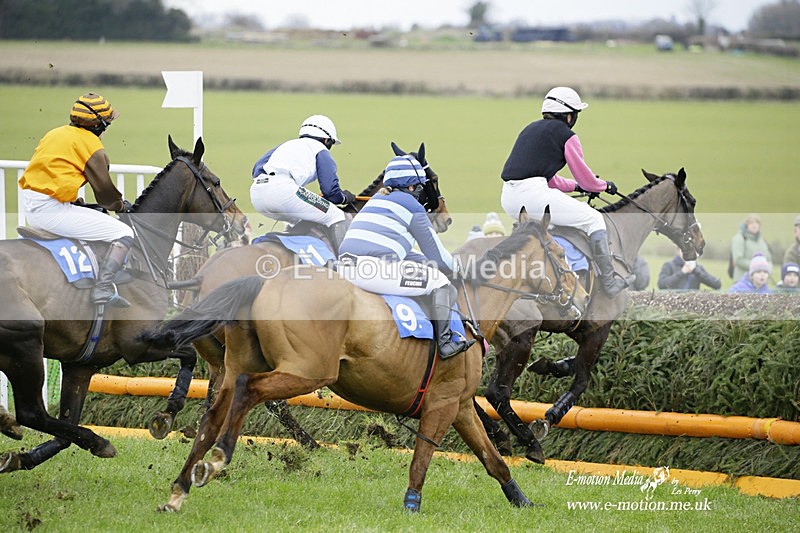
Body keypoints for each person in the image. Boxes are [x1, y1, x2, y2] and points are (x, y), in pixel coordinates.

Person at [499, 86, 633, 298]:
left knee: (551, 228)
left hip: (508, 198)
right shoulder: (567, 135)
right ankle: (609, 282)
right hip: (534, 196)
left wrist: (576, 187)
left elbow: (550, 180)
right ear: (569, 116)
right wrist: (603, 185)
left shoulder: (529, 129)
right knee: (594, 219)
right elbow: (585, 177)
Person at [338, 155, 475, 359]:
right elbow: (436, 255)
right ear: (411, 187)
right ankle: (446, 343)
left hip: (343, 267)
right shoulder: (412, 206)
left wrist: (425, 263)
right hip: (372, 270)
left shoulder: (377, 200)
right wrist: (458, 268)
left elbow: (405, 252)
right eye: (418, 187)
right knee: (441, 284)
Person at [18, 92, 133, 307]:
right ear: (99, 125)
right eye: (106, 123)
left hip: (32, 204)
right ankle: (103, 289)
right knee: (124, 232)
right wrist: (122, 206)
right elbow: (106, 195)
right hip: (51, 211)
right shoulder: (91, 145)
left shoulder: (55, 133)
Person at [250, 114, 356, 254]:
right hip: (283, 191)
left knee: (304, 219)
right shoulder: (320, 149)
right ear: (326, 140)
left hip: (257, 194)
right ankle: (346, 262)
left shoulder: (285, 145)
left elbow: (256, 169)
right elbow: (331, 193)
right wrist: (345, 197)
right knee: (336, 216)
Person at [730, 214, 772, 281]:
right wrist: (758, 266)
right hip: (743, 281)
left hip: (761, 282)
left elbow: (769, 259)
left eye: (757, 222)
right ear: (746, 225)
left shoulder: (762, 241)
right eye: (751, 223)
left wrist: (768, 269)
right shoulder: (739, 238)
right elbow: (738, 260)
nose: (754, 225)